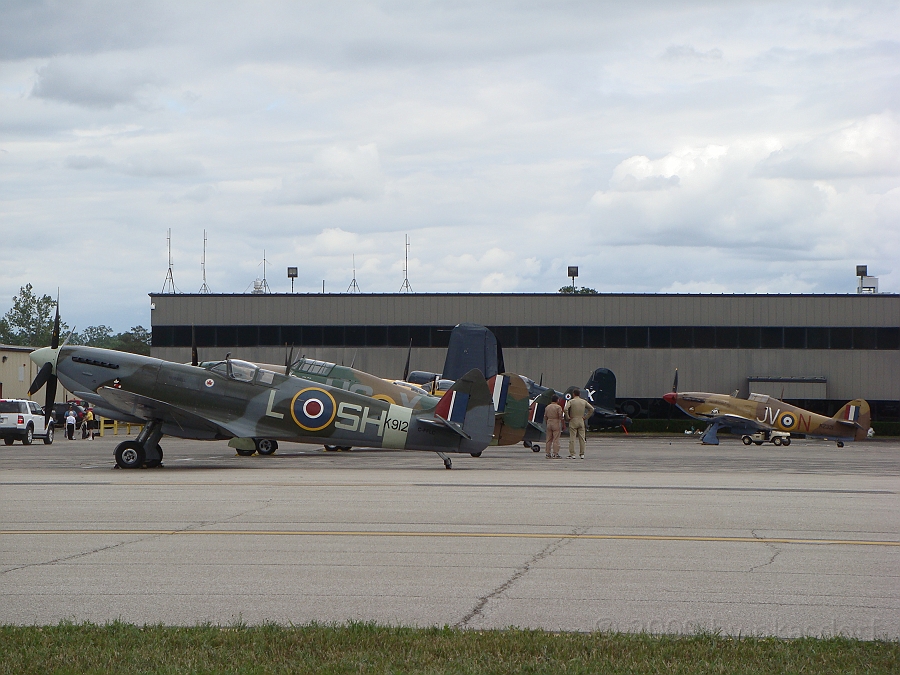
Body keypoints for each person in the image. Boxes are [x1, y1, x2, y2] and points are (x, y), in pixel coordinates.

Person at [564, 389, 591, 459]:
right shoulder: (583, 401)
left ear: (573, 394)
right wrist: (586, 417)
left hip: (573, 420)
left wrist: (568, 417)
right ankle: (582, 454)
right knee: (582, 438)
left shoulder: (571, 401)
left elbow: (565, 409)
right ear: (580, 394)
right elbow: (592, 409)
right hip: (581, 420)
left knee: (572, 438)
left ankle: (572, 454)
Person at [543, 394, 564, 458]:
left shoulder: (547, 407)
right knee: (556, 439)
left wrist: (547, 422)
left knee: (548, 439)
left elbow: (545, 416)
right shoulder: (558, 407)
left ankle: (548, 453)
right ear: (557, 400)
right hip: (556, 422)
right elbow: (560, 416)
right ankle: (555, 453)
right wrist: (562, 423)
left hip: (549, 422)